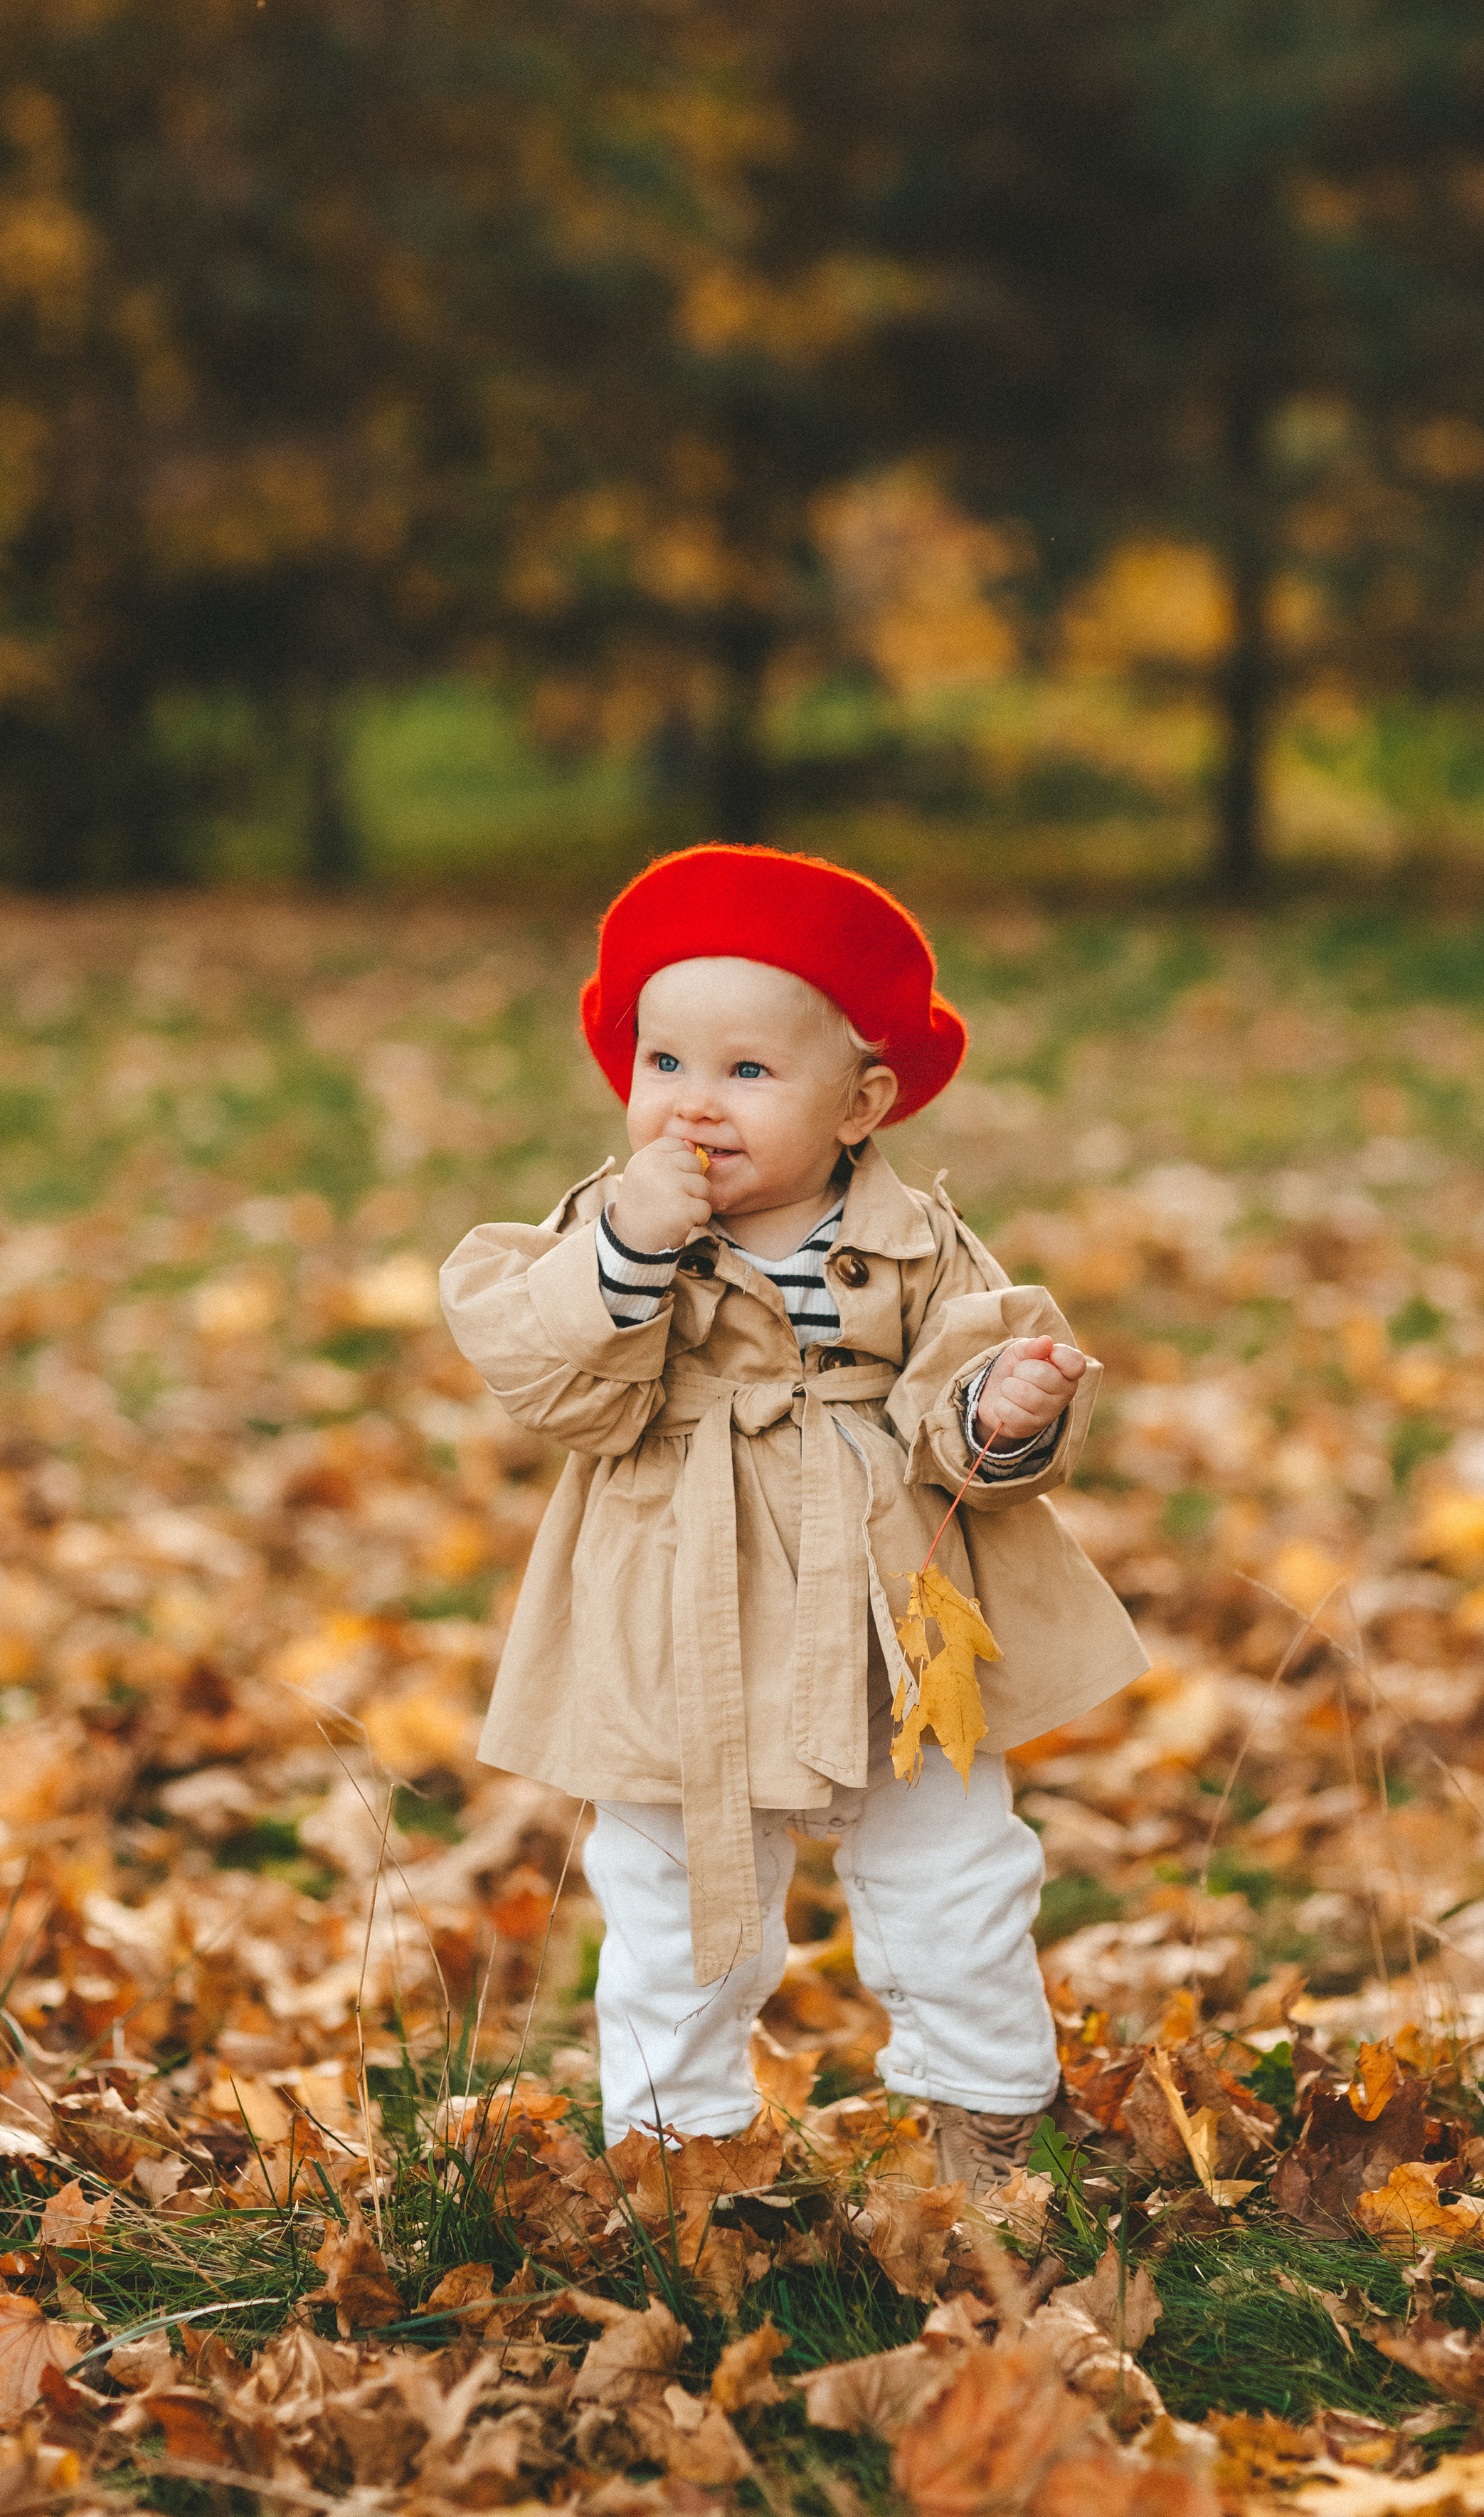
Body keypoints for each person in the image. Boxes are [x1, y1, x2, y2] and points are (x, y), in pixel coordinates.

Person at [439, 846, 1146, 2201]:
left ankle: (987, 2126)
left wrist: (999, 1414)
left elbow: (954, 1393)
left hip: (891, 1608)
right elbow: (548, 1379)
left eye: (748, 1073)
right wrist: (628, 1252)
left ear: (862, 1100)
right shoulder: (612, 1228)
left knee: (957, 1875)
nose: (694, 1105)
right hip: (675, 1607)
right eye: (664, 1065)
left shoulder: (920, 1242)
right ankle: (676, 2146)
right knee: (674, 1899)